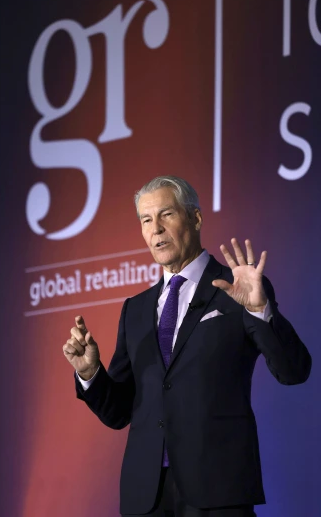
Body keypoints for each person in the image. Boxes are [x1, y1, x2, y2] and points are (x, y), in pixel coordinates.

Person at [62, 175, 311, 517]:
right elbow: (119, 412)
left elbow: (293, 371)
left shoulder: (237, 287)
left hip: (219, 490)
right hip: (148, 495)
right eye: (146, 220)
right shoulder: (135, 309)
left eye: (166, 215)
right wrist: (91, 374)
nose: (156, 229)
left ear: (195, 218)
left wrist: (257, 309)